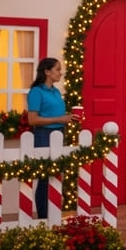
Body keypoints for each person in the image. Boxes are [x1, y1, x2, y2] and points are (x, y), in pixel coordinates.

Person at [26, 57, 80, 219]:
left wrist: (68, 117)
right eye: (57, 69)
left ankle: (54, 215)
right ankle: (43, 218)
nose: (60, 73)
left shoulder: (56, 92)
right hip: (44, 135)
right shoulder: (36, 92)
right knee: (44, 179)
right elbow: (32, 120)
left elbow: (55, 115)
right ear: (47, 72)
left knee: (55, 177)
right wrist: (59, 119)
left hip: (59, 134)